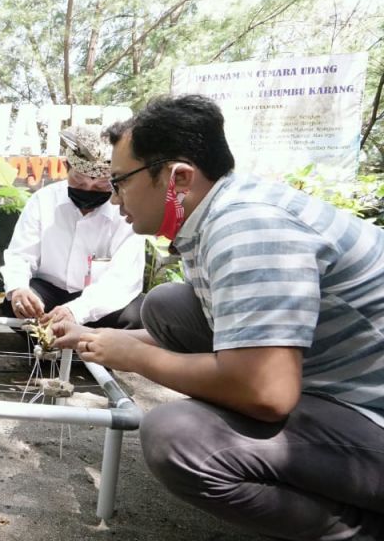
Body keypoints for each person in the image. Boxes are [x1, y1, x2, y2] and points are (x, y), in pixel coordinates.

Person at [58, 95, 383, 540]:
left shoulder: (247, 228)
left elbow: (266, 392)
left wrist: (133, 356)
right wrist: (98, 338)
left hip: (370, 411)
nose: (114, 200)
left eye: (121, 182)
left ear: (179, 178)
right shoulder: (219, 212)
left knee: (177, 437)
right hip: (340, 381)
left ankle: (357, 530)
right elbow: (231, 332)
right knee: (167, 306)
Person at [0, 125, 144, 330]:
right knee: (18, 304)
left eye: (101, 186)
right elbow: (21, 255)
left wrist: (77, 310)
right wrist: (18, 288)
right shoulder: (44, 200)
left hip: (100, 300)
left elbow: (123, 279)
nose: (88, 190)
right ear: (67, 168)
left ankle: (100, 356)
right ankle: (49, 359)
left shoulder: (126, 211)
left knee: (136, 315)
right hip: (49, 294)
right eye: (79, 181)